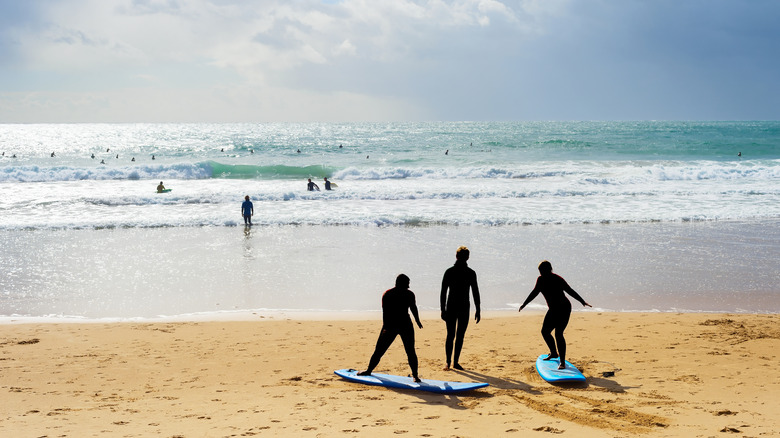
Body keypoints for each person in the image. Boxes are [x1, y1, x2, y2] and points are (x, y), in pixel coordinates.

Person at [518, 261, 591, 369]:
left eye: (543, 271)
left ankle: (562, 362)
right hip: (553, 310)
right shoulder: (540, 280)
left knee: (558, 333)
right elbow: (534, 292)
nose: (542, 273)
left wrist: (582, 301)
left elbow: (569, 291)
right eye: (540, 271)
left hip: (564, 308)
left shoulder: (557, 279)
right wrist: (525, 303)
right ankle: (553, 353)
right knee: (545, 332)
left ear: (550, 269)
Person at [358, 274, 424, 382]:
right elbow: (385, 312)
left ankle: (415, 376)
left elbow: (413, 307)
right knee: (380, 350)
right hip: (393, 325)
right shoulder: (389, 294)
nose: (408, 286)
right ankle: (369, 370)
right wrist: (385, 326)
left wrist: (417, 320)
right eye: (407, 284)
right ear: (399, 284)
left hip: (403, 324)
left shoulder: (407, 294)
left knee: (410, 351)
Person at [440, 246, 481, 371]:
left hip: (452, 306)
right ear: (467, 257)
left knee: (451, 335)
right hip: (463, 306)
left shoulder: (449, 271)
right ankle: (454, 362)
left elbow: (443, 293)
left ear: (456, 256)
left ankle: (449, 362)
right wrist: (478, 309)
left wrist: (443, 309)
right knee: (459, 335)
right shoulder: (470, 273)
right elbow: (475, 292)